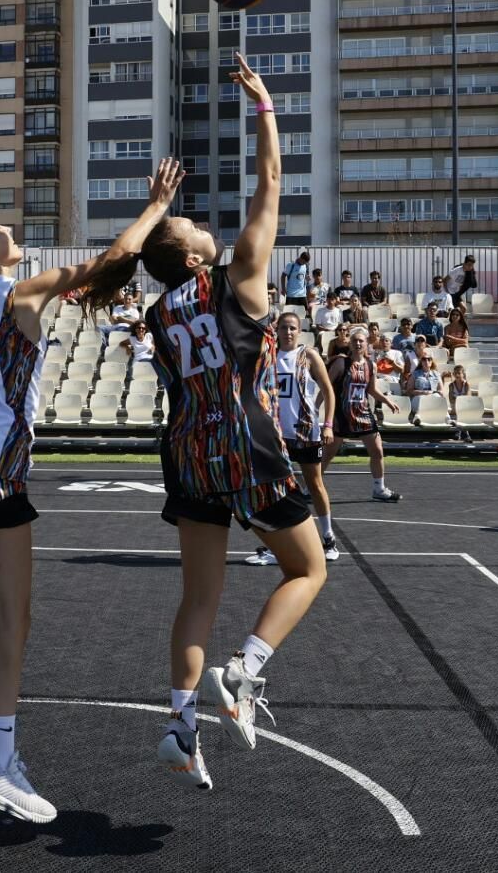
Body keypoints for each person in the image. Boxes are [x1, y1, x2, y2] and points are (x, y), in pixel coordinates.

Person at [0, 158, 182, 822]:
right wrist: (157, 208)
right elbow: (114, 259)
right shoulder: (18, 293)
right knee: (12, 620)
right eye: (2, 231)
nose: (11, 234)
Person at [134, 56, 325, 796]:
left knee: (197, 597)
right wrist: (266, 108)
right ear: (190, 255)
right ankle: (243, 671)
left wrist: (154, 211)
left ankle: (180, 727)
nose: (205, 226)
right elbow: (270, 186)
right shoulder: (237, 277)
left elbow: (146, 258)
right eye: (192, 224)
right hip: (243, 441)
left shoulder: (157, 311)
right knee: (308, 569)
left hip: (186, 451)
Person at [247, 312, 339, 566]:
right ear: (278, 330)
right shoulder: (269, 356)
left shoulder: (308, 355)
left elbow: (329, 392)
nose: (288, 332)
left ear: (299, 331)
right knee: (277, 490)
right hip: (277, 436)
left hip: (306, 432)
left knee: (316, 485)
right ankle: (280, 546)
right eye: (284, 327)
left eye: (293, 328)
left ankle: (329, 538)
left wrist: (328, 424)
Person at [324, 325, 403, 502]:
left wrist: (388, 401)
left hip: (363, 414)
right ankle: (309, 488)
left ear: (367, 344)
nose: (358, 343)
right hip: (342, 414)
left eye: (361, 340)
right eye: (354, 341)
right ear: (350, 344)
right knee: (328, 453)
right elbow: (326, 387)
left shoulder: (370, 365)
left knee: (377, 451)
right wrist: (315, 408)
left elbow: (372, 389)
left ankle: (379, 489)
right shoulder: (340, 363)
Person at [406, 351, 443, 423]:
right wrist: (423, 392)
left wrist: (432, 393)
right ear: (421, 361)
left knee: (438, 397)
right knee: (421, 398)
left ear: (432, 361)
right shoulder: (415, 373)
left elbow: (441, 391)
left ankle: (447, 418)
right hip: (418, 397)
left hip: (432, 397)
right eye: (424, 359)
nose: (427, 361)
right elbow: (409, 390)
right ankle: (417, 417)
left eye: (429, 359)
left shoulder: (436, 374)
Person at [448, 364, 473, 443]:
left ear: (463, 374)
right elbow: (451, 399)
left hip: (465, 406)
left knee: (463, 410)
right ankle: (466, 435)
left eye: (459, 373)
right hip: (455, 406)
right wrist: (459, 400)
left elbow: (467, 398)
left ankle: (459, 432)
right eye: (455, 373)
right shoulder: (451, 385)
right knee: (461, 410)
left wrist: (458, 400)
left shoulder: (467, 385)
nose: (457, 375)